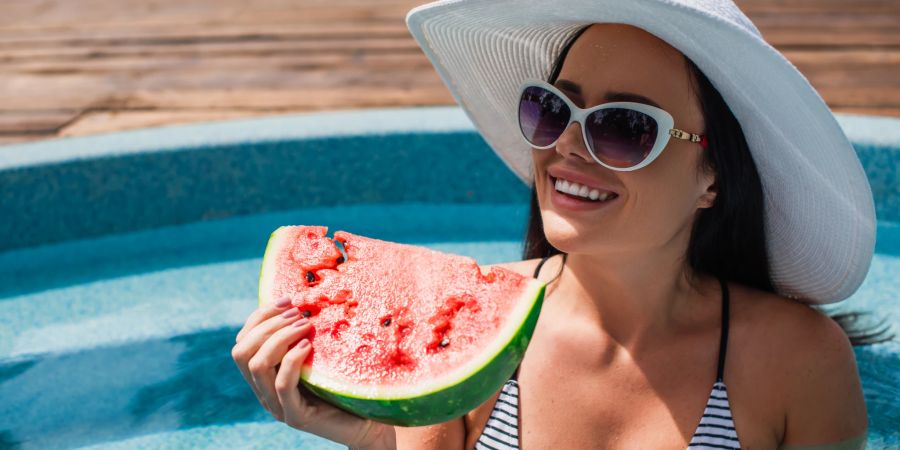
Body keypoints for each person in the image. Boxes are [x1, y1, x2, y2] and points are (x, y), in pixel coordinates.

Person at [233, 0, 886, 448]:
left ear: (712, 177)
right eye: (553, 109)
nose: (568, 147)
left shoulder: (797, 359)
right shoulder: (454, 337)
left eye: (625, 127)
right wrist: (377, 441)